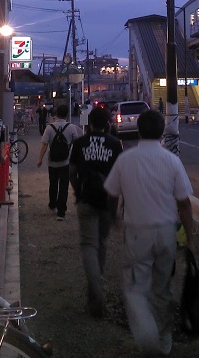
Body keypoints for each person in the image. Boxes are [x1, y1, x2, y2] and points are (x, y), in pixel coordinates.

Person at [104, 109, 195, 356]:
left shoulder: (126, 159)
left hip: (137, 232)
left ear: (139, 130)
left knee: (136, 288)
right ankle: (164, 341)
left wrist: (114, 218)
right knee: (162, 289)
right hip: (166, 233)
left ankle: (147, 338)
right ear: (162, 131)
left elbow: (112, 193)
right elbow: (184, 203)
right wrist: (190, 237)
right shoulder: (171, 161)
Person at [69, 106, 123, 317]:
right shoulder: (115, 144)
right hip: (107, 201)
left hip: (86, 199)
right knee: (101, 242)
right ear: (108, 123)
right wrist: (116, 209)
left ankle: (96, 291)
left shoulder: (80, 143)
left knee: (88, 244)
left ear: (89, 123)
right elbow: (118, 177)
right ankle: (97, 284)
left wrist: (78, 191)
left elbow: (72, 172)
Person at [37, 104, 82, 220]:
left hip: (52, 162)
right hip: (65, 162)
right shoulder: (71, 127)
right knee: (63, 186)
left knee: (53, 183)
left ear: (56, 114)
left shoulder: (49, 128)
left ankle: (52, 204)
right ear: (67, 115)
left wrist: (40, 159)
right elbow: (76, 144)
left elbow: (44, 144)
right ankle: (61, 212)